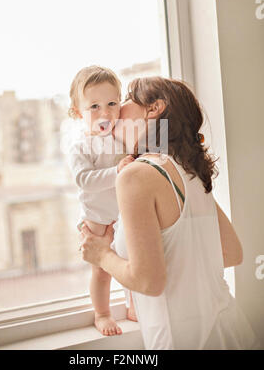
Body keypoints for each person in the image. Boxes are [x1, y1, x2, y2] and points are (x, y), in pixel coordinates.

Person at [80, 76, 259, 349]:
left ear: (154, 109)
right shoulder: (190, 172)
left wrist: (101, 254)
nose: (116, 112)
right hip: (231, 331)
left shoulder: (136, 176)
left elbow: (149, 281)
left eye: (126, 100)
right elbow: (231, 252)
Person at [67, 65, 136, 337]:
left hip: (126, 213)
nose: (105, 112)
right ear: (77, 112)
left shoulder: (123, 137)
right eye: (94, 106)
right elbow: (84, 179)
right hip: (98, 218)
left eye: (111, 103)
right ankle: (103, 312)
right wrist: (117, 171)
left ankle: (133, 305)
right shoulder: (81, 146)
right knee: (102, 270)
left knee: (134, 262)